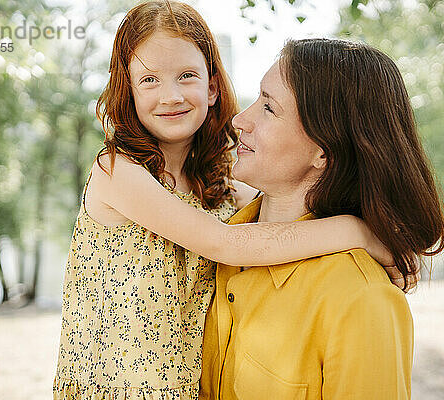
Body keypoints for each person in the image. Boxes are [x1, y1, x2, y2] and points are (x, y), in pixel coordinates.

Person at [52, 3, 405, 399]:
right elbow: (227, 243)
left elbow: (294, 202)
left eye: (186, 76)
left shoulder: (221, 182)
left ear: (213, 87)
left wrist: (386, 235)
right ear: (127, 91)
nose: (170, 96)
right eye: (149, 80)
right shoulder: (118, 172)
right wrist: (357, 231)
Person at [199, 38, 444, 400]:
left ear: (324, 151)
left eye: (269, 108)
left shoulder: (361, 302)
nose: (240, 120)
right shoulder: (209, 237)